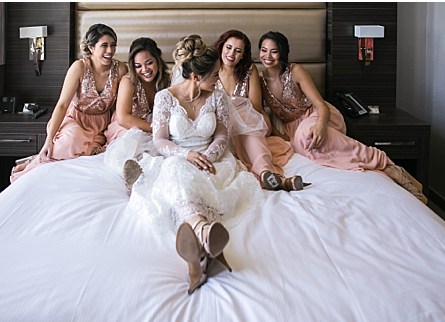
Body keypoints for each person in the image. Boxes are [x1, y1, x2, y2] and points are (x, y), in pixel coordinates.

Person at [127, 35, 262, 295]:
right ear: (196, 77)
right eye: (214, 74)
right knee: (177, 173)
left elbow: (222, 135)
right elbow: (159, 140)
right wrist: (186, 155)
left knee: (193, 182)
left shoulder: (218, 98)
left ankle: (195, 254)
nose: (218, 78)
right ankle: (203, 231)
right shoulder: (165, 98)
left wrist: (209, 156)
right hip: (177, 157)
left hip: (212, 160)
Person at [258, 31, 426, 202]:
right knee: (306, 143)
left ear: (282, 53)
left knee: (308, 134)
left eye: (274, 51)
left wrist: (321, 125)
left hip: (317, 115)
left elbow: (321, 105)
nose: (267, 56)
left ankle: (380, 160)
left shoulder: (295, 71)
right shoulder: (260, 81)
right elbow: (261, 111)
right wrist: (281, 136)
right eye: (264, 50)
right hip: (292, 127)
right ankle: (384, 169)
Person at [11, 23, 128, 182]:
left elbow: (119, 106)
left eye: (113, 45)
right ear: (91, 48)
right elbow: (62, 104)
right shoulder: (79, 67)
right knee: (72, 141)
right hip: (76, 120)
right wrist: (49, 140)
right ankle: (31, 170)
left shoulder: (121, 69)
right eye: (104, 46)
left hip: (101, 124)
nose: (110, 51)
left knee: (117, 142)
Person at [212, 29, 297, 191]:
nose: (231, 54)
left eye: (238, 51)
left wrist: (238, 116)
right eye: (228, 48)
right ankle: (267, 173)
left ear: (243, 55)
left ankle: (266, 173)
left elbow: (255, 107)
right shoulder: (211, 69)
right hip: (221, 123)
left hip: (252, 120)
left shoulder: (249, 70)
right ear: (221, 47)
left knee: (245, 120)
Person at [102, 37, 170, 189]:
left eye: (149, 63)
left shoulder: (167, 80)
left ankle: (154, 176)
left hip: (155, 125)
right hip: (128, 126)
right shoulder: (129, 81)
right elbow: (123, 118)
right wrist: (155, 129)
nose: (145, 70)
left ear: (158, 59)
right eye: (138, 66)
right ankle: (135, 177)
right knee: (134, 145)